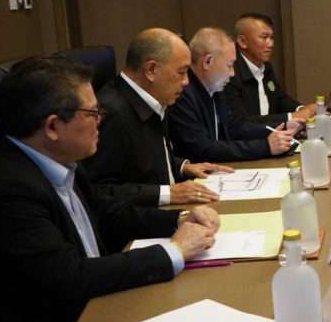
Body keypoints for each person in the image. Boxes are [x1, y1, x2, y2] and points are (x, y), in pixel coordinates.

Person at [0, 58, 218, 322]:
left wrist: (179, 219)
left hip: (103, 304)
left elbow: (107, 216)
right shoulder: (9, 188)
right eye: (93, 112)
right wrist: (173, 251)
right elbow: (69, 277)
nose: (101, 119)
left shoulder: (60, 161)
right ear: (52, 127)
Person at [83, 28, 233, 207]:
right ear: (151, 70)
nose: (186, 82)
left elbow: (138, 162)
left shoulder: (152, 98)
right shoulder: (113, 113)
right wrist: (167, 193)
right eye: (181, 72)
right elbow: (98, 191)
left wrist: (181, 166)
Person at [169, 27, 298, 162]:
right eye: (229, 65)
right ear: (207, 62)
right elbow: (203, 149)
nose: (232, 74)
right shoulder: (182, 94)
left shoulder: (215, 87)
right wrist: (265, 146)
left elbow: (234, 128)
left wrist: (282, 127)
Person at [224, 13, 311, 127]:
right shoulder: (230, 73)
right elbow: (242, 123)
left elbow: (279, 98)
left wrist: (302, 109)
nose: (271, 44)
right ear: (242, 42)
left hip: (273, 133)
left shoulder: (266, 67)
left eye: (272, 38)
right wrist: (291, 116)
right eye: (264, 37)